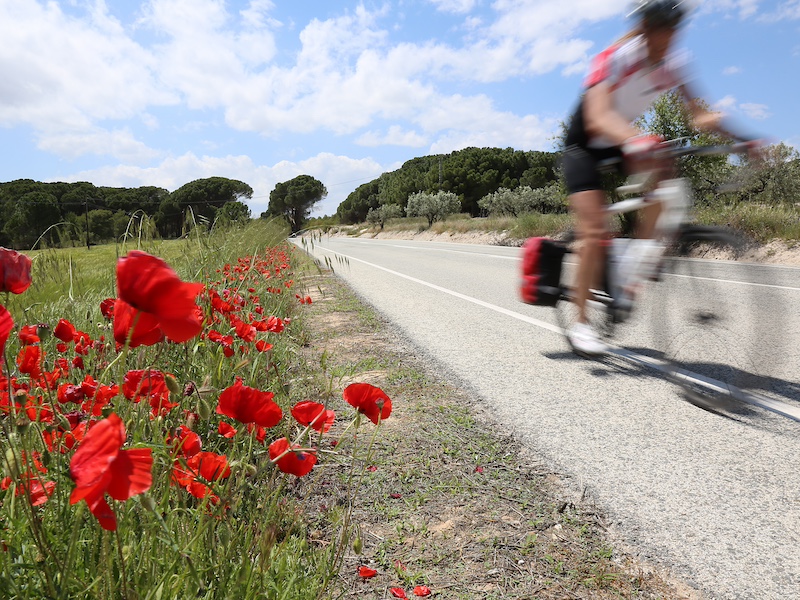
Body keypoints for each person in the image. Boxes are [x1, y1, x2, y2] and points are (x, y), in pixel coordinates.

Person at [562, 0, 753, 356]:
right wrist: (637, 139)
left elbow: (700, 115)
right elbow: (598, 118)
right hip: (584, 145)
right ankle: (582, 323)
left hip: (620, 144)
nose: (671, 36)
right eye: (664, 26)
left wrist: (743, 138)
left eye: (676, 27)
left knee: (666, 172)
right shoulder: (615, 57)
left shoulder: (672, 65)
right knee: (593, 230)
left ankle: (632, 266)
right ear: (647, 25)